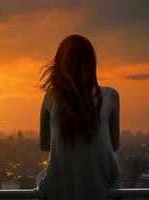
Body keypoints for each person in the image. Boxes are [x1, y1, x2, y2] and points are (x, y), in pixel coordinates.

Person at [35, 34, 121, 200]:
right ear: (91, 64)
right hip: (100, 191)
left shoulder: (51, 97)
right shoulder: (111, 96)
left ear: (60, 62)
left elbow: (45, 145)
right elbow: (114, 145)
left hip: (57, 191)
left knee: (42, 177)